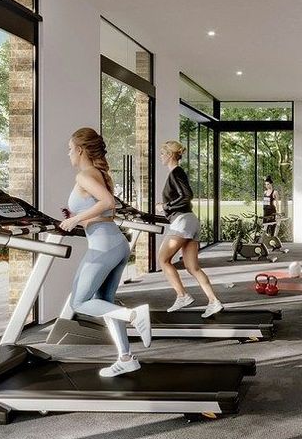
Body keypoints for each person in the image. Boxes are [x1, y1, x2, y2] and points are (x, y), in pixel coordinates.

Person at [59, 127, 153, 378]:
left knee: (79, 302)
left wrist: (75, 219)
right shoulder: (99, 173)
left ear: (80, 150)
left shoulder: (84, 176)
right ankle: (126, 358)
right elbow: (103, 209)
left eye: (70, 149)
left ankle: (133, 315)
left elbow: (108, 203)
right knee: (105, 302)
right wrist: (78, 219)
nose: (69, 153)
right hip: (115, 243)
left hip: (104, 246)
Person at [157, 140, 224, 317]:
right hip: (190, 220)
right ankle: (214, 301)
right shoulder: (176, 173)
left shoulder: (176, 172)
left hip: (183, 221)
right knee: (192, 267)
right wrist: (167, 209)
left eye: (162, 153)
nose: (160, 157)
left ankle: (182, 296)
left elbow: (187, 195)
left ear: (170, 155)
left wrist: (165, 206)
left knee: (163, 260)